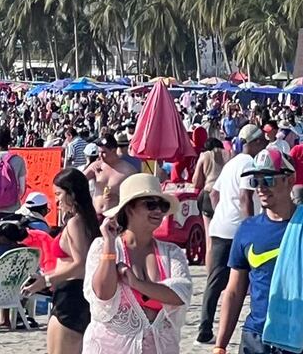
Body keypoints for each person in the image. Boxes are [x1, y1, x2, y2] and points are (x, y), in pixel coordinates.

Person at [214, 148, 303, 354]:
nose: (261, 188)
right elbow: (234, 291)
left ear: (290, 180)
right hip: (257, 338)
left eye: (269, 180)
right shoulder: (247, 230)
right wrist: (220, 344)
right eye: (256, 182)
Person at [84, 173, 191, 354]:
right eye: (150, 204)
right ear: (129, 208)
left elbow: (181, 294)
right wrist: (109, 244)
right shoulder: (103, 247)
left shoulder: (171, 252)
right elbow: (102, 294)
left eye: (162, 206)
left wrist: (137, 284)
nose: (158, 211)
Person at [197, 124, 266, 345]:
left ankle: (204, 329)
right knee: (249, 279)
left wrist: (222, 213)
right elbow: (246, 197)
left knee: (214, 282)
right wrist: (251, 228)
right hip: (236, 230)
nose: (263, 144)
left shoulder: (231, 163)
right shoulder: (248, 163)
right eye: (261, 141)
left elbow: (214, 193)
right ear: (253, 142)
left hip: (220, 226)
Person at [24, 168, 99, 354]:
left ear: (71, 194)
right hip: (76, 295)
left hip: (70, 296)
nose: (56, 200)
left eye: (58, 194)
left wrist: (47, 279)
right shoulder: (88, 221)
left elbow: (80, 264)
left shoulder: (76, 223)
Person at [85, 136, 137, 215]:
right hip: (95, 214)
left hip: (115, 216)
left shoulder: (128, 170)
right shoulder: (97, 166)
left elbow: (135, 195)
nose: (100, 155)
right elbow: (78, 179)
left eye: (103, 152)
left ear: (113, 151)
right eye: (99, 152)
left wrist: (116, 195)